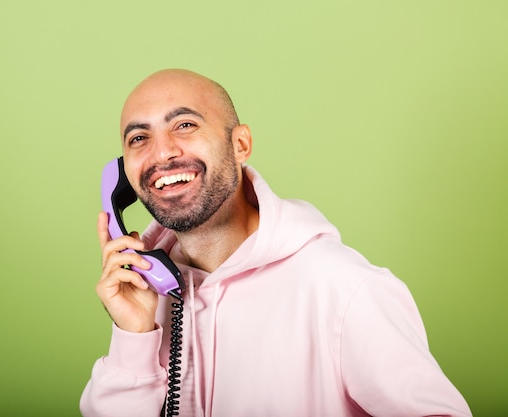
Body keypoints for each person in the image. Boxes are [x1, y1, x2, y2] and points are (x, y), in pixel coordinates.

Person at [79, 69, 472, 417]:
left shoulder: (345, 288)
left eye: (184, 125)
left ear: (240, 145)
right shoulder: (149, 292)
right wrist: (133, 337)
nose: (161, 152)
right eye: (138, 137)